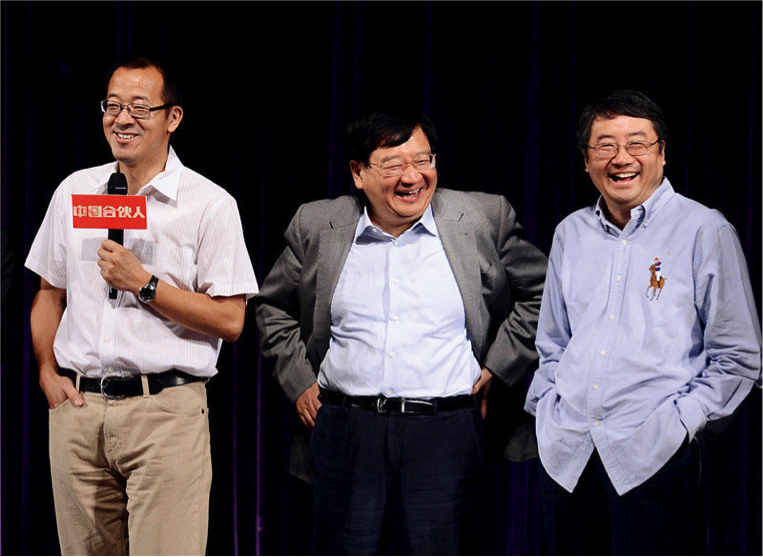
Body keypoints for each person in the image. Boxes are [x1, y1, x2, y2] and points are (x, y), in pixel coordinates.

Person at [255, 110, 547, 555]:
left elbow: (542, 293)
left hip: (444, 432)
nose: (412, 177)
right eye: (393, 164)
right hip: (347, 431)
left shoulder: (481, 218)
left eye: (423, 160)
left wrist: (499, 367)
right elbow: (272, 306)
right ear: (358, 172)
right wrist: (298, 382)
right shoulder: (318, 225)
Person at [26, 58, 258, 556]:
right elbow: (48, 293)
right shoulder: (75, 191)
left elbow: (231, 319)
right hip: (79, 413)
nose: (122, 119)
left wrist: (146, 284)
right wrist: (47, 372)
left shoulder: (209, 204)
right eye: (112, 106)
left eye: (139, 107)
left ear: (172, 117)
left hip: (165, 413)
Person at [525, 90, 762, 555]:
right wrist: (548, 410)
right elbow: (553, 343)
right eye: (605, 146)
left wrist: (680, 423)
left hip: (654, 455)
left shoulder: (704, 229)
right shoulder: (570, 232)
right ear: (586, 161)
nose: (621, 158)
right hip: (569, 455)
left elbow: (738, 356)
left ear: (662, 153)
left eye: (637, 143)